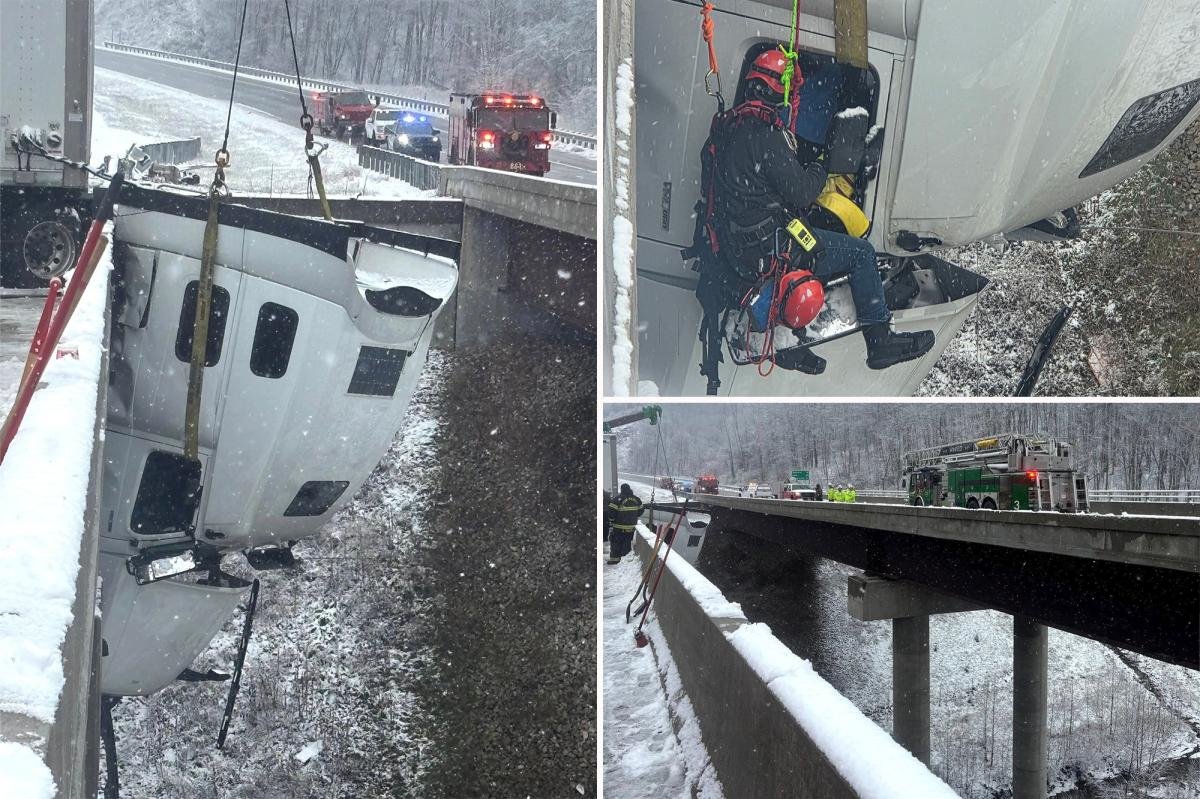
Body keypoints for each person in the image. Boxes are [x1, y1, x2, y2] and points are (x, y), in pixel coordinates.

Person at [710, 48, 935, 372]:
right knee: (859, 254)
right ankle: (880, 340)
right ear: (777, 91)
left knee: (812, 240)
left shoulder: (733, 127)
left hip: (742, 247)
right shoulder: (767, 136)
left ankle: (788, 346)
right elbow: (802, 192)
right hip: (770, 245)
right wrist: (822, 164)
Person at [607, 484, 644, 565]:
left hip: (619, 528)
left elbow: (611, 513)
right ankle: (625, 561)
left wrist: (612, 521)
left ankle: (614, 560)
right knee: (627, 544)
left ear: (621, 490)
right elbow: (641, 510)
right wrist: (634, 515)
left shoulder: (617, 499)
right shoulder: (636, 499)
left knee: (616, 543)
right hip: (632, 528)